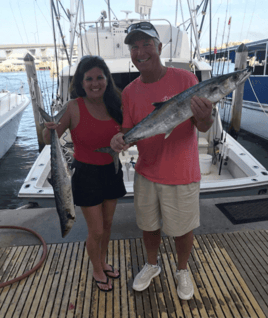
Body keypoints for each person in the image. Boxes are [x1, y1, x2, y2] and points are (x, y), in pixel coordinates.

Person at [110, 22, 213, 300]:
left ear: (159, 47)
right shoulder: (130, 91)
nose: (140, 51)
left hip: (181, 172)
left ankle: (182, 269)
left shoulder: (186, 80)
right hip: (146, 172)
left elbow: (202, 127)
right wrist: (119, 140)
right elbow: (128, 131)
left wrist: (205, 116)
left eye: (146, 45)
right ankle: (152, 265)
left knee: (182, 229)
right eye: (134, 47)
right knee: (148, 225)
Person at [42, 55, 126, 292]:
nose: (95, 83)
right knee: (96, 230)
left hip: (113, 170)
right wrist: (48, 128)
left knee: (108, 225)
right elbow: (49, 139)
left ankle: (103, 261)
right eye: (89, 79)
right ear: (81, 82)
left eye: (100, 77)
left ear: (107, 80)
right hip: (87, 175)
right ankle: (96, 269)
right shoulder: (73, 107)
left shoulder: (116, 103)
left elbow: (127, 134)